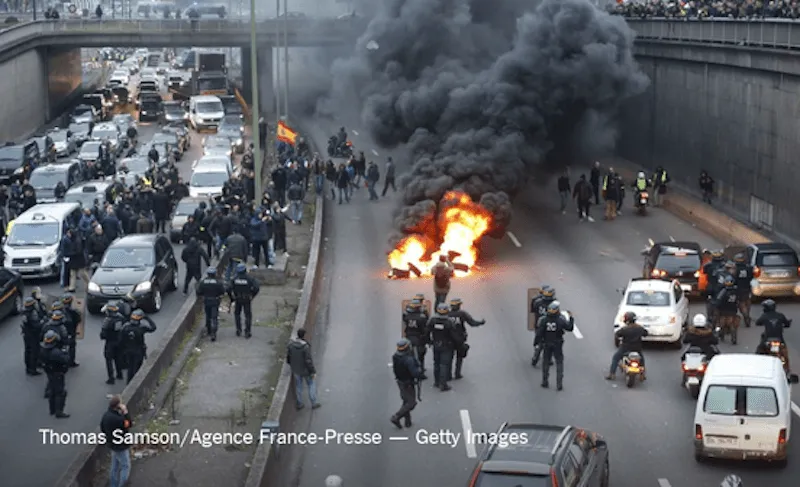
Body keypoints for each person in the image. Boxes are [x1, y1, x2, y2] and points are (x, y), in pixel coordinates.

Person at [535, 301, 574, 390]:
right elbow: (570, 328)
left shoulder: (544, 320)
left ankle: (545, 381)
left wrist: (536, 342)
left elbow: (539, 333)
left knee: (546, 362)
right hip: (558, 344)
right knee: (559, 362)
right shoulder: (560, 320)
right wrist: (571, 317)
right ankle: (559, 384)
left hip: (547, 343)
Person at [427, 302, 462, 391]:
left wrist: (429, 341)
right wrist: (459, 344)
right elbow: (454, 335)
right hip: (446, 346)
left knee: (436, 363)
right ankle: (443, 384)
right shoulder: (449, 322)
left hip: (436, 344)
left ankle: (436, 382)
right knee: (444, 364)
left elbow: (427, 331)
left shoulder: (432, 320)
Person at [100, 395, 133, 487]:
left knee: (114, 466)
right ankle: (122, 484)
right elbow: (129, 424)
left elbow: (102, 428)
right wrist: (125, 412)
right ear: (118, 406)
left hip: (112, 444)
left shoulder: (106, 415)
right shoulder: (119, 419)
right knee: (125, 466)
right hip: (121, 446)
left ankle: (113, 484)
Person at [448, 298, 485, 379]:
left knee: (448, 357)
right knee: (460, 356)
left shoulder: (446, 314)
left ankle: (448, 375)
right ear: (458, 306)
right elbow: (472, 323)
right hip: (460, 338)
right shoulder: (462, 314)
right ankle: (457, 373)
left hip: (449, 338)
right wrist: (481, 322)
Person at [606, 311, 648, 381]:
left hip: (625, 348)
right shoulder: (639, 328)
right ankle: (642, 375)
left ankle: (612, 374)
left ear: (626, 320)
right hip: (637, 348)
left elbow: (617, 335)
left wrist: (618, 341)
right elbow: (646, 333)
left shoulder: (625, 329)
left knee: (615, 358)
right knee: (641, 359)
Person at [390, 338, 422, 429]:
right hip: (408, 383)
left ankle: (408, 421)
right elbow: (415, 373)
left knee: (406, 401)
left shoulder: (396, 356)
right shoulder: (409, 360)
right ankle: (396, 417)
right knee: (411, 403)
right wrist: (419, 371)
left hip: (400, 381)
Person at [118, 309, 157, 384]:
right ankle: (136, 384)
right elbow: (153, 328)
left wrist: (123, 350)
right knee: (137, 368)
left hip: (128, 351)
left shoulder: (125, 327)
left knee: (130, 368)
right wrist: (147, 318)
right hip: (139, 351)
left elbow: (120, 340)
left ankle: (128, 383)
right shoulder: (141, 328)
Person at [286, 328, 321, 410]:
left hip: (296, 370)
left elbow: (288, 358)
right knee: (311, 384)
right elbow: (308, 361)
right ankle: (313, 403)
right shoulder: (305, 347)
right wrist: (313, 371)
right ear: (304, 335)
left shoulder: (291, 345)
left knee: (299, 386)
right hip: (306, 371)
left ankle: (299, 403)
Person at [40, 330, 71, 418]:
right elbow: (66, 359)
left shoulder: (43, 350)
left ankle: (52, 409)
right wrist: (65, 351)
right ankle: (59, 411)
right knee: (60, 392)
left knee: (52, 391)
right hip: (58, 373)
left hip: (49, 372)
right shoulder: (56, 353)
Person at [755, 299, 792, 369]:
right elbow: (787, 323)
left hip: (767, 339)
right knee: (785, 352)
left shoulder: (764, 316)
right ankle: (787, 367)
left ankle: (757, 365)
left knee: (759, 350)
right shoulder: (780, 315)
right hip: (779, 339)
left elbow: (757, 322)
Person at [228, 263, 260, 338]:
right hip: (247, 299)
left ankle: (238, 330)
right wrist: (252, 295)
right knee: (248, 315)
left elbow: (228, 289)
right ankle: (247, 331)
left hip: (238, 298)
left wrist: (232, 297)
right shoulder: (250, 278)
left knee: (237, 314)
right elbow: (256, 287)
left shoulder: (234, 279)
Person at [401, 299, 429, 380]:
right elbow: (424, 329)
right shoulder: (421, 317)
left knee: (410, 355)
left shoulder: (407, 316)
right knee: (420, 355)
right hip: (418, 338)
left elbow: (404, 321)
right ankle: (420, 372)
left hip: (409, 337)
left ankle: (410, 371)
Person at [100, 301, 126, 384]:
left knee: (109, 360)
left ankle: (111, 378)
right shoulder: (121, 318)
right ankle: (119, 374)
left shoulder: (107, 320)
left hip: (110, 342)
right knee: (118, 358)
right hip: (119, 341)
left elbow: (103, 334)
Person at [196, 267, 225, 341]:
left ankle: (209, 331)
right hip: (215, 301)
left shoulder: (203, 282)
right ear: (215, 274)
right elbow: (222, 291)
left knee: (208, 316)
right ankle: (213, 333)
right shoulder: (218, 282)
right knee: (214, 317)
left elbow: (199, 292)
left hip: (207, 301)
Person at [531, 286, 556, 367]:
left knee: (539, 337)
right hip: (548, 325)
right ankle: (549, 356)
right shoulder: (554, 303)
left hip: (541, 324)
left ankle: (537, 349)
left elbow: (533, 310)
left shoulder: (537, 301)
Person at [21, 297, 44, 376]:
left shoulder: (24, 313)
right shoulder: (33, 313)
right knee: (34, 351)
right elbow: (37, 326)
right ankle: (33, 369)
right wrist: (43, 322)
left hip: (26, 335)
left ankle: (28, 368)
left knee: (27, 351)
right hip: (33, 335)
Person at [715, 275, 740, 345]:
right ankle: (734, 338)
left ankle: (719, 335)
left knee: (721, 324)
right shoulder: (736, 291)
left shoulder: (723, 291)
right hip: (733, 310)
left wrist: (717, 307)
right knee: (732, 325)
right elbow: (738, 300)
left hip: (723, 311)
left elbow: (718, 300)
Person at [733, 253, 753, 328]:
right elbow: (751, 277)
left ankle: (746, 316)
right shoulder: (749, 268)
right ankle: (747, 314)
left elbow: (733, 280)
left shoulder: (736, 269)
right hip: (747, 287)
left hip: (739, 289)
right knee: (747, 301)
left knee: (741, 304)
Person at [62, 293, 81, 367]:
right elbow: (78, 319)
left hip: (62, 331)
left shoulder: (59, 310)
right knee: (72, 346)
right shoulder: (74, 311)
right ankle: (71, 361)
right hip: (71, 331)